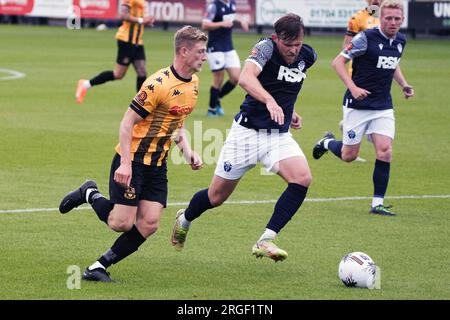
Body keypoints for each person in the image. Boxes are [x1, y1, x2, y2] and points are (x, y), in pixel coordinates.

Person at [59, 26, 208, 282]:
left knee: (149, 223)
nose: (205, 56)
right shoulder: (156, 85)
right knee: (121, 223)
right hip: (134, 161)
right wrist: (126, 165)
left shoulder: (193, 84)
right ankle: (89, 192)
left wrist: (188, 150)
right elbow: (127, 123)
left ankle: (98, 267)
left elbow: (176, 123)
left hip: (157, 165)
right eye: (200, 51)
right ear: (184, 51)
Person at [171, 13, 317, 262]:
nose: (293, 50)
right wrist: (270, 101)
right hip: (246, 134)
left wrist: (289, 111)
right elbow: (245, 78)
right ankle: (185, 218)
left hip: (277, 135)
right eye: (288, 44)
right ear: (276, 38)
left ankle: (266, 239)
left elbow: (284, 86)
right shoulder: (265, 48)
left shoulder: (308, 56)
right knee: (216, 197)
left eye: (297, 44)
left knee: (302, 178)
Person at [312, 0, 414, 216]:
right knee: (349, 155)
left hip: (383, 106)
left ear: (402, 20)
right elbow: (337, 62)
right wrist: (353, 87)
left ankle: (377, 203)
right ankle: (327, 142)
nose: (393, 22)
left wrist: (403, 84)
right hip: (357, 105)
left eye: (397, 19)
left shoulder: (400, 41)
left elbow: (393, 63)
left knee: (385, 151)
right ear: (380, 18)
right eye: (388, 18)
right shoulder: (365, 38)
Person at [75, 0, 155, 104]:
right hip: (126, 40)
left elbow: (139, 17)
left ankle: (141, 104)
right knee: (118, 74)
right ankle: (85, 84)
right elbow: (123, 15)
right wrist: (141, 20)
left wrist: (146, 21)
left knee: (142, 71)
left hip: (137, 41)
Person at [339, 0, 384, 162]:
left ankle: (351, 129)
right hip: (359, 73)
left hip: (380, 73)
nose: (376, 0)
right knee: (364, 105)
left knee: (376, 105)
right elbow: (346, 46)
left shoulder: (386, 18)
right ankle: (352, 142)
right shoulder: (357, 19)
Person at [202, 0, 249, 117]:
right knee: (219, 79)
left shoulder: (232, 3)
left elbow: (231, 15)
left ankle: (217, 98)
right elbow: (205, 24)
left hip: (228, 47)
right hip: (215, 47)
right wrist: (221, 24)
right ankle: (211, 109)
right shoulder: (214, 6)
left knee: (236, 78)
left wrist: (241, 20)